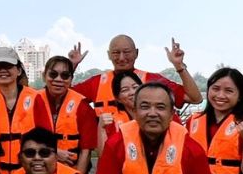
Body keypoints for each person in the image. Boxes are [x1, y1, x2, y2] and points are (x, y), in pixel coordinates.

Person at [69, 36, 201, 119]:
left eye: (126, 52)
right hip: (111, 153)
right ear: (109, 55)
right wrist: (72, 66)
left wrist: (179, 66)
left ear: (136, 53)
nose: (121, 58)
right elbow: (62, 98)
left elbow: (195, 98)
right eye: (116, 53)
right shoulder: (97, 82)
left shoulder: (153, 80)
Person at [37, 56, 98, 174]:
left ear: (71, 79)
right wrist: (53, 152)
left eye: (65, 76)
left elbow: (86, 151)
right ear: (44, 76)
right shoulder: (33, 101)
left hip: (71, 171)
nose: (58, 79)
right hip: (38, 172)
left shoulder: (82, 106)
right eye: (53, 74)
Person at [96, 70, 142, 154]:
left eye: (135, 87)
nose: (132, 92)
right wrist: (101, 129)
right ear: (118, 99)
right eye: (125, 90)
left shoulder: (154, 114)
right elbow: (104, 156)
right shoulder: (111, 122)